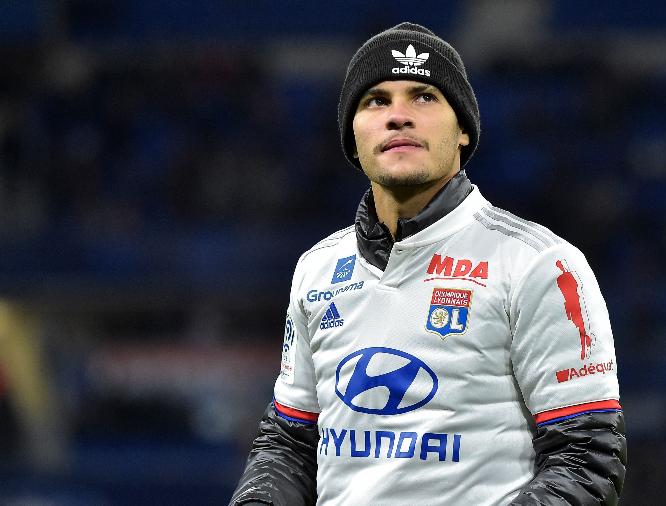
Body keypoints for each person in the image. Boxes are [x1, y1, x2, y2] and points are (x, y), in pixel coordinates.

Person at [230, 22, 626, 505]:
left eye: (423, 97)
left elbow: (586, 459)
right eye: (376, 100)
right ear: (352, 139)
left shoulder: (541, 265)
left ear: (463, 130)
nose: (398, 116)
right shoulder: (317, 270)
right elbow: (290, 444)